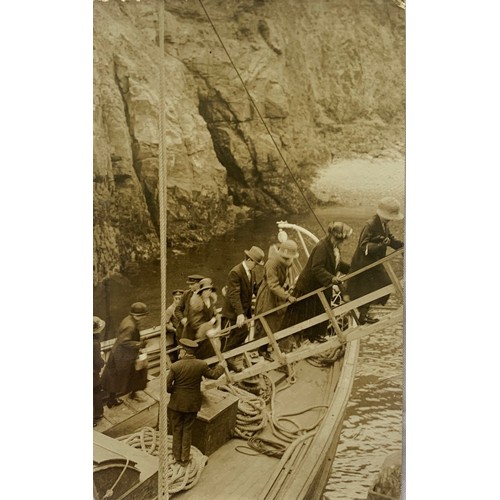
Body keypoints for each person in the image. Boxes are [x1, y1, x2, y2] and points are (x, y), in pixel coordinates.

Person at [281, 222, 352, 344]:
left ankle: (317, 335)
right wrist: (331, 279)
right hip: (309, 287)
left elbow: (337, 264)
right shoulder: (322, 247)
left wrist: (352, 269)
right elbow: (316, 268)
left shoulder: (334, 247)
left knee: (322, 311)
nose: (344, 243)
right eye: (343, 240)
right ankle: (298, 338)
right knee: (304, 315)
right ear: (336, 238)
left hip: (322, 286)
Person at [167, 338, 225, 466]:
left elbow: (167, 387)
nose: (179, 353)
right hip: (192, 404)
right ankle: (184, 459)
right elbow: (214, 375)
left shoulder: (175, 366)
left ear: (183, 351)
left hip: (176, 404)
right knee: (187, 430)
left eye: (180, 350)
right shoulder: (201, 365)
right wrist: (222, 366)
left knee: (177, 429)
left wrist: (175, 392)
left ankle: (176, 456)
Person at [347, 197, 404, 324]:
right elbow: (363, 245)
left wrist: (402, 246)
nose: (390, 220)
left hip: (375, 261)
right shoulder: (370, 224)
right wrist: (380, 245)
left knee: (383, 286)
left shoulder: (384, 224)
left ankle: (364, 314)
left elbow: (390, 238)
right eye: (388, 217)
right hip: (364, 262)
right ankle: (363, 315)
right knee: (371, 287)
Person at [220, 246, 265, 370]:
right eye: (255, 264)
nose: (255, 266)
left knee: (239, 335)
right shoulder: (235, 272)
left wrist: (264, 284)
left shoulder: (251, 272)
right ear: (249, 260)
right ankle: (226, 358)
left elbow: (253, 290)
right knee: (238, 334)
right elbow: (233, 295)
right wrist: (240, 314)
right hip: (232, 313)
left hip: (242, 312)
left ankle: (229, 360)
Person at [254, 239, 299, 361]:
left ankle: (271, 345)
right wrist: (287, 296)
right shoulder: (272, 263)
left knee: (277, 319)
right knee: (267, 319)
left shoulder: (285, 263)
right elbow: (273, 285)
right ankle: (261, 350)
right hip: (268, 295)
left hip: (277, 294)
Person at [101, 302, 149, 407]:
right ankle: (132, 394)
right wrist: (139, 344)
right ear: (138, 315)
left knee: (113, 377)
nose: (144, 317)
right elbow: (125, 342)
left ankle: (112, 400)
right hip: (123, 356)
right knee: (137, 372)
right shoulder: (130, 326)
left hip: (119, 353)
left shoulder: (128, 319)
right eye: (143, 315)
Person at [183, 278, 221, 360]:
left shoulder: (210, 300)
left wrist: (216, 323)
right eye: (205, 290)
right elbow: (195, 323)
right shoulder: (196, 305)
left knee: (213, 347)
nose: (208, 292)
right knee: (203, 352)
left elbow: (215, 314)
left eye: (210, 290)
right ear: (201, 292)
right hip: (194, 333)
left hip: (208, 332)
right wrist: (209, 325)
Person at [174, 275, 205, 339]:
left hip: (199, 328)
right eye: (189, 284)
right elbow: (177, 310)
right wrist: (182, 319)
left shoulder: (205, 294)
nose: (189, 286)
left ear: (199, 284)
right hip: (185, 330)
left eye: (192, 284)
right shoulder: (186, 294)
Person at [93, 316, 106, 427]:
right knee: (96, 392)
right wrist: (102, 363)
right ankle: (96, 415)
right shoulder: (95, 343)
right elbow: (97, 361)